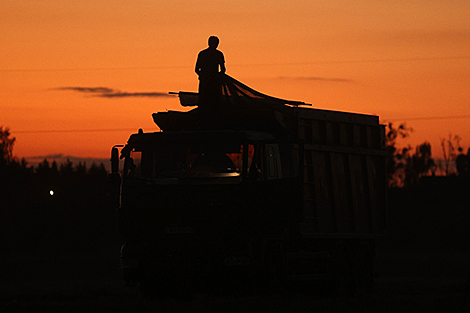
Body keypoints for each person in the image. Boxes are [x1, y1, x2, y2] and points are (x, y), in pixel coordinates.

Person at [195, 36, 226, 110]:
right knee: (205, 100)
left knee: (212, 100)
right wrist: (204, 76)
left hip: (213, 81)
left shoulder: (217, 54)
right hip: (207, 81)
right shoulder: (205, 54)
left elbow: (223, 69)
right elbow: (196, 69)